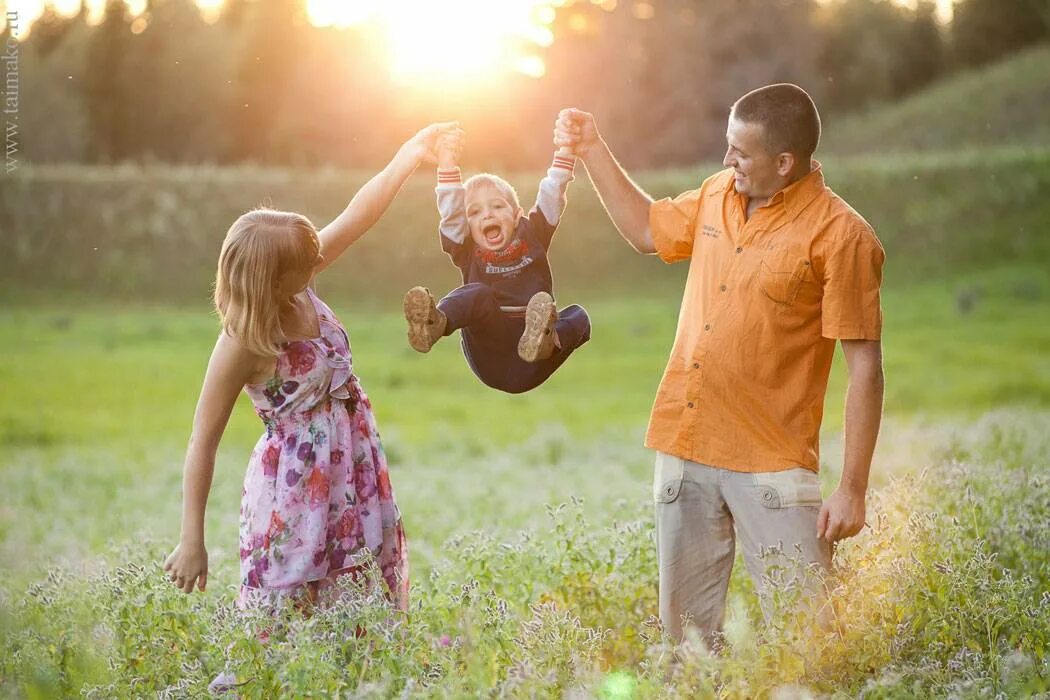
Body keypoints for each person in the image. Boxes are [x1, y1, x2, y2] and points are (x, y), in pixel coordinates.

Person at [554, 84, 886, 644]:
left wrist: (853, 488)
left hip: (773, 465)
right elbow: (644, 230)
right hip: (685, 449)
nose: (726, 159)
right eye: (727, 145)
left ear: (784, 163)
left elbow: (866, 372)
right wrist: (592, 149)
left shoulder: (843, 236)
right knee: (685, 648)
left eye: (740, 151)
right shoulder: (715, 194)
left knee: (812, 643)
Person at [163, 122, 459, 612]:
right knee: (288, 614)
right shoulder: (241, 342)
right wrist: (190, 539)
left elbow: (357, 216)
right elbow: (202, 440)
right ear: (271, 281)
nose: (320, 258)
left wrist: (409, 155)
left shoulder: (302, 284)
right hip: (296, 490)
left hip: (353, 467)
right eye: (309, 260)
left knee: (362, 606)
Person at [401, 130, 591, 394]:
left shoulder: (533, 233)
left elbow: (552, 195)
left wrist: (565, 152)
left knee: (579, 316)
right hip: (491, 354)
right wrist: (446, 165)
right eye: (475, 212)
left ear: (516, 216)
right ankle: (436, 324)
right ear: (467, 227)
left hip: (535, 360)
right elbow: (451, 216)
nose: (488, 214)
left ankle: (547, 340)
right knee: (477, 294)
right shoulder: (467, 248)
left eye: (498, 206)